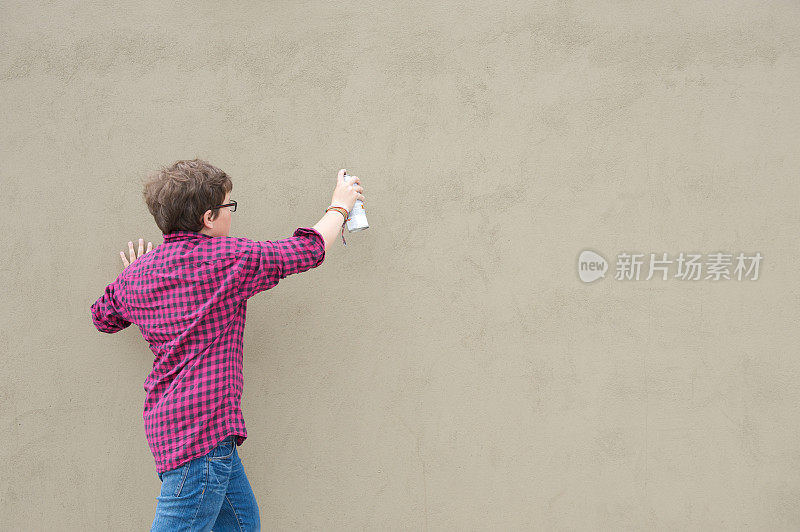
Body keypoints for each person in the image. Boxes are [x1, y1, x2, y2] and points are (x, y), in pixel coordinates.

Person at [89, 159, 365, 531]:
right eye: (227, 207)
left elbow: (103, 317)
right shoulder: (229, 259)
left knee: (242, 524)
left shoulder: (138, 275)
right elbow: (306, 251)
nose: (230, 216)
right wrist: (340, 206)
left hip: (183, 429)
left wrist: (135, 278)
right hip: (201, 435)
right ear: (208, 217)